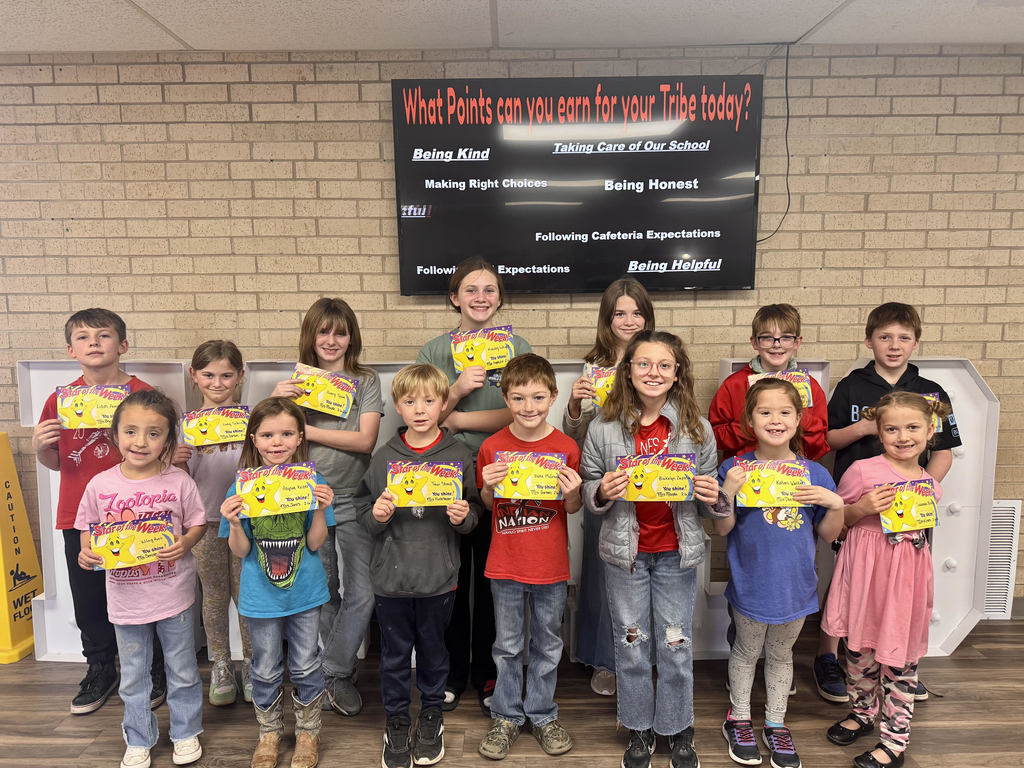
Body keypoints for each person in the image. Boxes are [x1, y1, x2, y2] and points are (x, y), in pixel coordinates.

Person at [581, 330, 724, 768]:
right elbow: (588, 486)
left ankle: (678, 727)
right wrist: (601, 490)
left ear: (677, 371)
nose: (653, 373)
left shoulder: (697, 428)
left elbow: (716, 500)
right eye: (643, 364)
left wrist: (714, 494)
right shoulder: (604, 426)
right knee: (631, 643)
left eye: (664, 365)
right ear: (628, 370)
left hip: (677, 554)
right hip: (625, 554)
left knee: (675, 644)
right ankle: (639, 727)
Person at [816, 302, 961, 703]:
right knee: (849, 578)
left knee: (902, 585)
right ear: (869, 341)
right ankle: (830, 655)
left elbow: (945, 450)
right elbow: (826, 440)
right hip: (861, 505)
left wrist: (923, 488)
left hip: (908, 513)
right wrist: (861, 427)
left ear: (915, 342)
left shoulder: (932, 393)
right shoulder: (851, 386)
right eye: (884, 337)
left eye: (903, 338)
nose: (894, 345)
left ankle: (899, 662)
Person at [32, 308, 166, 715]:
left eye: (103, 335)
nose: (94, 342)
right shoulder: (59, 399)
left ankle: (154, 667)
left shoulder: (145, 396)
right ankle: (101, 667)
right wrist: (41, 448)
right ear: (70, 349)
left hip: (139, 510)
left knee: (147, 590)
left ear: (122, 345)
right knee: (88, 597)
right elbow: (57, 463)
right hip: (81, 513)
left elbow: (163, 452)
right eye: (84, 337)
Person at [416, 257, 531, 714]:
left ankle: (488, 672)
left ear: (499, 298)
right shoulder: (433, 352)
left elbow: (520, 411)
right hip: (445, 472)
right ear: (454, 297)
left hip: (503, 472)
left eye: (489, 290)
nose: (480, 298)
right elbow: (419, 412)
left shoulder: (515, 345)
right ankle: (447, 673)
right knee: (449, 579)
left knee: (490, 581)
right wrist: (458, 389)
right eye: (471, 290)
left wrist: (457, 416)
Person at [713, 379, 845, 768]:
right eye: (765, 412)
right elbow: (722, 528)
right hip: (751, 586)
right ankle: (737, 718)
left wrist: (835, 504)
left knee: (781, 656)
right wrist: (728, 493)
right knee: (746, 653)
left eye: (785, 412)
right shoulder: (733, 467)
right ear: (749, 421)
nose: (775, 420)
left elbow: (828, 534)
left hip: (797, 589)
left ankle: (775, 722)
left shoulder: (815, 474)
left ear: (799, 419)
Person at [357, 364, 481, 768]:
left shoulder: (460, 456)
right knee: (393, 656)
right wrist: (376, 513)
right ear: (398, 406)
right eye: (410, 402)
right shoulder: (382, 459)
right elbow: (363, 514)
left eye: (430, 400)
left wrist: (464, 517)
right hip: (390, 579)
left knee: (433, 652)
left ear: (444, 403)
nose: (420, 409)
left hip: (438, 578)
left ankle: (430, 715)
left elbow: (476, 513)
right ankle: (396, 720)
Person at [75, 389, 207, 768]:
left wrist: (184, 543)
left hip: (174, 596)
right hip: (125, 600)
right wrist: (87, 552)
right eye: (131, 431)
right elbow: (88, 528)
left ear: (168, 439)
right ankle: (138, 737)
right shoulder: (100, 485)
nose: (141, 441)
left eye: (154, 433)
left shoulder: (179, 481)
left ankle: (185, 732)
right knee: (133, 675)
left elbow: (197, 521)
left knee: (182, 670)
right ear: (115, 434)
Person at [822, 392, 950, 768]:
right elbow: (836, 521)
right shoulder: (862, 471)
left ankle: (895, 740)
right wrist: (860, 509)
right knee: (859, 653)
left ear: (930, 431)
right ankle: (863, 712)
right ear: (879, 432)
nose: (902, 436)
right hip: (864, 577)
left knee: (899, 659)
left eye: (912, 428)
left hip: (904, 585)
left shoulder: (930, 485)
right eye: (892, 428)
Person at [270, 297, 383, 717]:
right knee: (323, 592)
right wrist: (278, 402)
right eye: (323, 331)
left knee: (362, 592)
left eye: (340, 332)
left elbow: (365, 441)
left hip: (354, 498)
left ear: (351, 336)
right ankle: (338, 672)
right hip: (305, 499)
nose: (331, 340)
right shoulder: (294, 385)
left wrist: (305, 426)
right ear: (310, 336)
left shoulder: (364, 380)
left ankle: (332, 670)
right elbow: (273, 441)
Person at [475, 354, 582, 760]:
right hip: (505, 563)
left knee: (547, 643)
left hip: (550, 565)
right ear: (506, 398)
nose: (529, 407)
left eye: (538, 397)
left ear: (553, 396)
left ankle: (541, 714)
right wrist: (486, 487)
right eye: (518, 398)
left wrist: (572, 492)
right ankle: (505, 716)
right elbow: (487, 504)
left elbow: (571, 509)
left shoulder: (566, 446)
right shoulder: (492, 447)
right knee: (506, 646)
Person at [220, 398, 336, 768]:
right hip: (259, 596)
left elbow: (316, 543)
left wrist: (319, 509)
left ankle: (308, 732)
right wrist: (236, 524)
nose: (277, 442)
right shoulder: (242, 485)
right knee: (265, 667)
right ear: (254, 439)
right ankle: (268, 733)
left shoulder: (311, 482)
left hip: (305, 592)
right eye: (268, 434)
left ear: (300, 437)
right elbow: (240, 551)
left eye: (287, 433)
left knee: (305, 664)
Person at [562, 277, 654, 696]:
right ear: (607, 318)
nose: (629, 320)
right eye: (620, 312)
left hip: (652, 487)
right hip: (605, 485)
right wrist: (575, 406)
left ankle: (643, 656)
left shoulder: (660, 359)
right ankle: (604, 658)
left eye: (637, 312)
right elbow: (577, 440)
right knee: (602, 576)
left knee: (650, 575)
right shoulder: (592, 369)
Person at [176, 340, 253, 707]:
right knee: (215, 595)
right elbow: (175, 483)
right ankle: (222, 664)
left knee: (247, 594)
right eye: (208, 375)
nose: (218, 383)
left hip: (245, 522)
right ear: (194, 376)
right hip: (204, 523)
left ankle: (253, 663)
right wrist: (174, 460)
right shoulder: (183, 427)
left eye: (226, 375)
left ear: (240, 376)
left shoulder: (253, 420)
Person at [708, 303, 829, 462]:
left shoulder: (811, 387)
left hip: (791, 476)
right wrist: (753, 425)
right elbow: (713, 437)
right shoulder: (734, 384)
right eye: (767, 337)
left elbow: (820, 445)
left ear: (797, 342)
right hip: (745, 474)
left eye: (786, 337)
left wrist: (797, 419)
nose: (776, 344)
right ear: (755, 342)